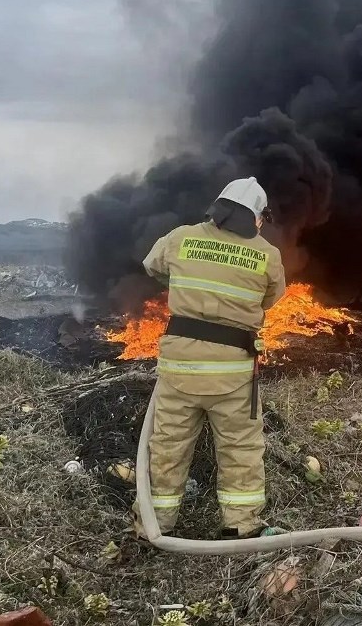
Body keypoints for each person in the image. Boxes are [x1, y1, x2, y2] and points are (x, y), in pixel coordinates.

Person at [133, 176, 287, 540]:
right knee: (240, 450)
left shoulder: (181, 237)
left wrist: (190, 285)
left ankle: (153, 526)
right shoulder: (266, 254)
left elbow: (153, 266)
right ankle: (240, 527)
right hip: (232, 376)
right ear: (256, 217)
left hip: (179, 371)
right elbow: (270, 297)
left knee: (167, 448)